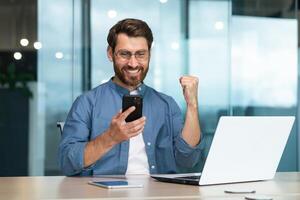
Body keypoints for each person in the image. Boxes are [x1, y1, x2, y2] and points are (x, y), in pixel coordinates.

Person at [59, 18, 204, 176]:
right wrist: (110, 138)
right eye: (125, 54)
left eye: (140, 54)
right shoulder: (87, 103)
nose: (133, 64)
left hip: (159, 193)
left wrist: (192, 106)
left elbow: (188, 160)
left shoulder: (166, 104)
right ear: (110, 53)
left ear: (149, 54)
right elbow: (68, 163)